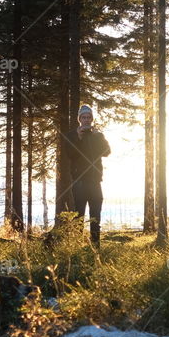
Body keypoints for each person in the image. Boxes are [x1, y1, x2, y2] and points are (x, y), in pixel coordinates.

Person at [61, 104, 111, 246]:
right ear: (79, 119)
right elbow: (70, 154)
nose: (86, 120)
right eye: (84, 117)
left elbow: (107, 152)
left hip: (95, 181)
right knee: (79, 217)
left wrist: (98, 137)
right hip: (79, 182)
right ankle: (77, 246)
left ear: (92, 119)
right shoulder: (72, 135)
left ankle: (96, 247)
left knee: (96, 217)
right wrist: (79, 137)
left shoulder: (98, 135)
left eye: (89, 117)